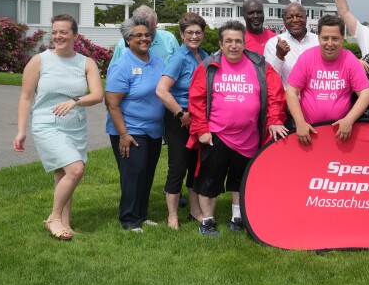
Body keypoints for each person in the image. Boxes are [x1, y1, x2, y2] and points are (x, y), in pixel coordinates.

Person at [188, 20, 287, 236]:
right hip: (216, 136)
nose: (234, 45)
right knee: (209, 180)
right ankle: (208, 221)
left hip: (249, 136)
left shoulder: (260, 65)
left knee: (240, 180)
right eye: (229, 41)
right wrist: (201, 129)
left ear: (244, 43)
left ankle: (237, 217)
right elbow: (196, 100)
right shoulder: (207, 67)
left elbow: (275, 95)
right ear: (221, 44)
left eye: (238, 41)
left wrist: (274, 120)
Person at [13, 14, 104, 241]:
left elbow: (97, 95)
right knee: (75, 170)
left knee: (63, 174)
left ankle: (65, 225)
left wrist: (75, 101)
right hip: (46, 124)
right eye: (54, 32)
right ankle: (54, 218)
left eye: (63, 32)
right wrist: (21, 130)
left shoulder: (86, 62)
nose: (58, 36)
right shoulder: (39, 61)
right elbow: (25, 98)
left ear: (75, 35)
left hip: (75, 126)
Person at [105, 16, 166, 232]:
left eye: (147, 35)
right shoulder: (122, 66)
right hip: (130, 130)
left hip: (153, 130)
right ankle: (129, 219)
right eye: (138, 35)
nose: (144, 38)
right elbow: (112, 104)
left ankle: (141, 214)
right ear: (127, 40)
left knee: (147, 173)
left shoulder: (158, 62)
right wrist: (123, 134)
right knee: (134, 173)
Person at [155, 12, 208, 229]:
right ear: (181, 34)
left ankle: (195, 210)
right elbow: (161, 90)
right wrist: (180, 113)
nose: (194, 36)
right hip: (180, 118)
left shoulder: (204, 55)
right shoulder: (178, 58)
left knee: (196, 166)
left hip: (199, 117)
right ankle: (172, 216)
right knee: (177, 166)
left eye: (198, 32)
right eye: (189, 33)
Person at [286, 15, 369, 145]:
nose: (330, 43)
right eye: (325, 38)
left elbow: (365, 95)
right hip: (310, 131)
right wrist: (300, 123)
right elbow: (291, 92)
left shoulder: (350, 60)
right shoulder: (307, 58)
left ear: (343, 39)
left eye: (335, 38)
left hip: (340, 132)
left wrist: (349, 120)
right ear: (319, 38)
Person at [263, 2, 319, 88]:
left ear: (306, 18)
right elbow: (271, 78)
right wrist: (279, 56)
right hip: (287, 100)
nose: (295, 20)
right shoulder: (273, 43)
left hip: (315, 99)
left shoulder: (318, 41)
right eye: (290, 17)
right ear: (284, 20)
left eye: (299, 16)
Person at [108, 5, 179, 67]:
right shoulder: (122, 44)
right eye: (139, 34)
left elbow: (180, 65)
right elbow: (113, 69)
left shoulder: (169, 39)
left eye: (150, 29)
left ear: (156, 23)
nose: (145, 37)